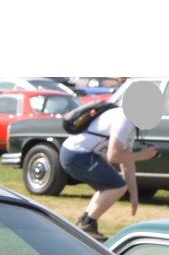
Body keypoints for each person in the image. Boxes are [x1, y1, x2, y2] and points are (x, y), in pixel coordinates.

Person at [58, 87, 162, 240]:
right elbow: (113, 156)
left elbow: (127, 162)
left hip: (77, 153)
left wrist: (134, 195)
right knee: (116, 186)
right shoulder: (125, 119)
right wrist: (143, 155)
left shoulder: (129, 122)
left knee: (111, 186)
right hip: (76, 154)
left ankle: (85, 222)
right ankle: (87, 224)